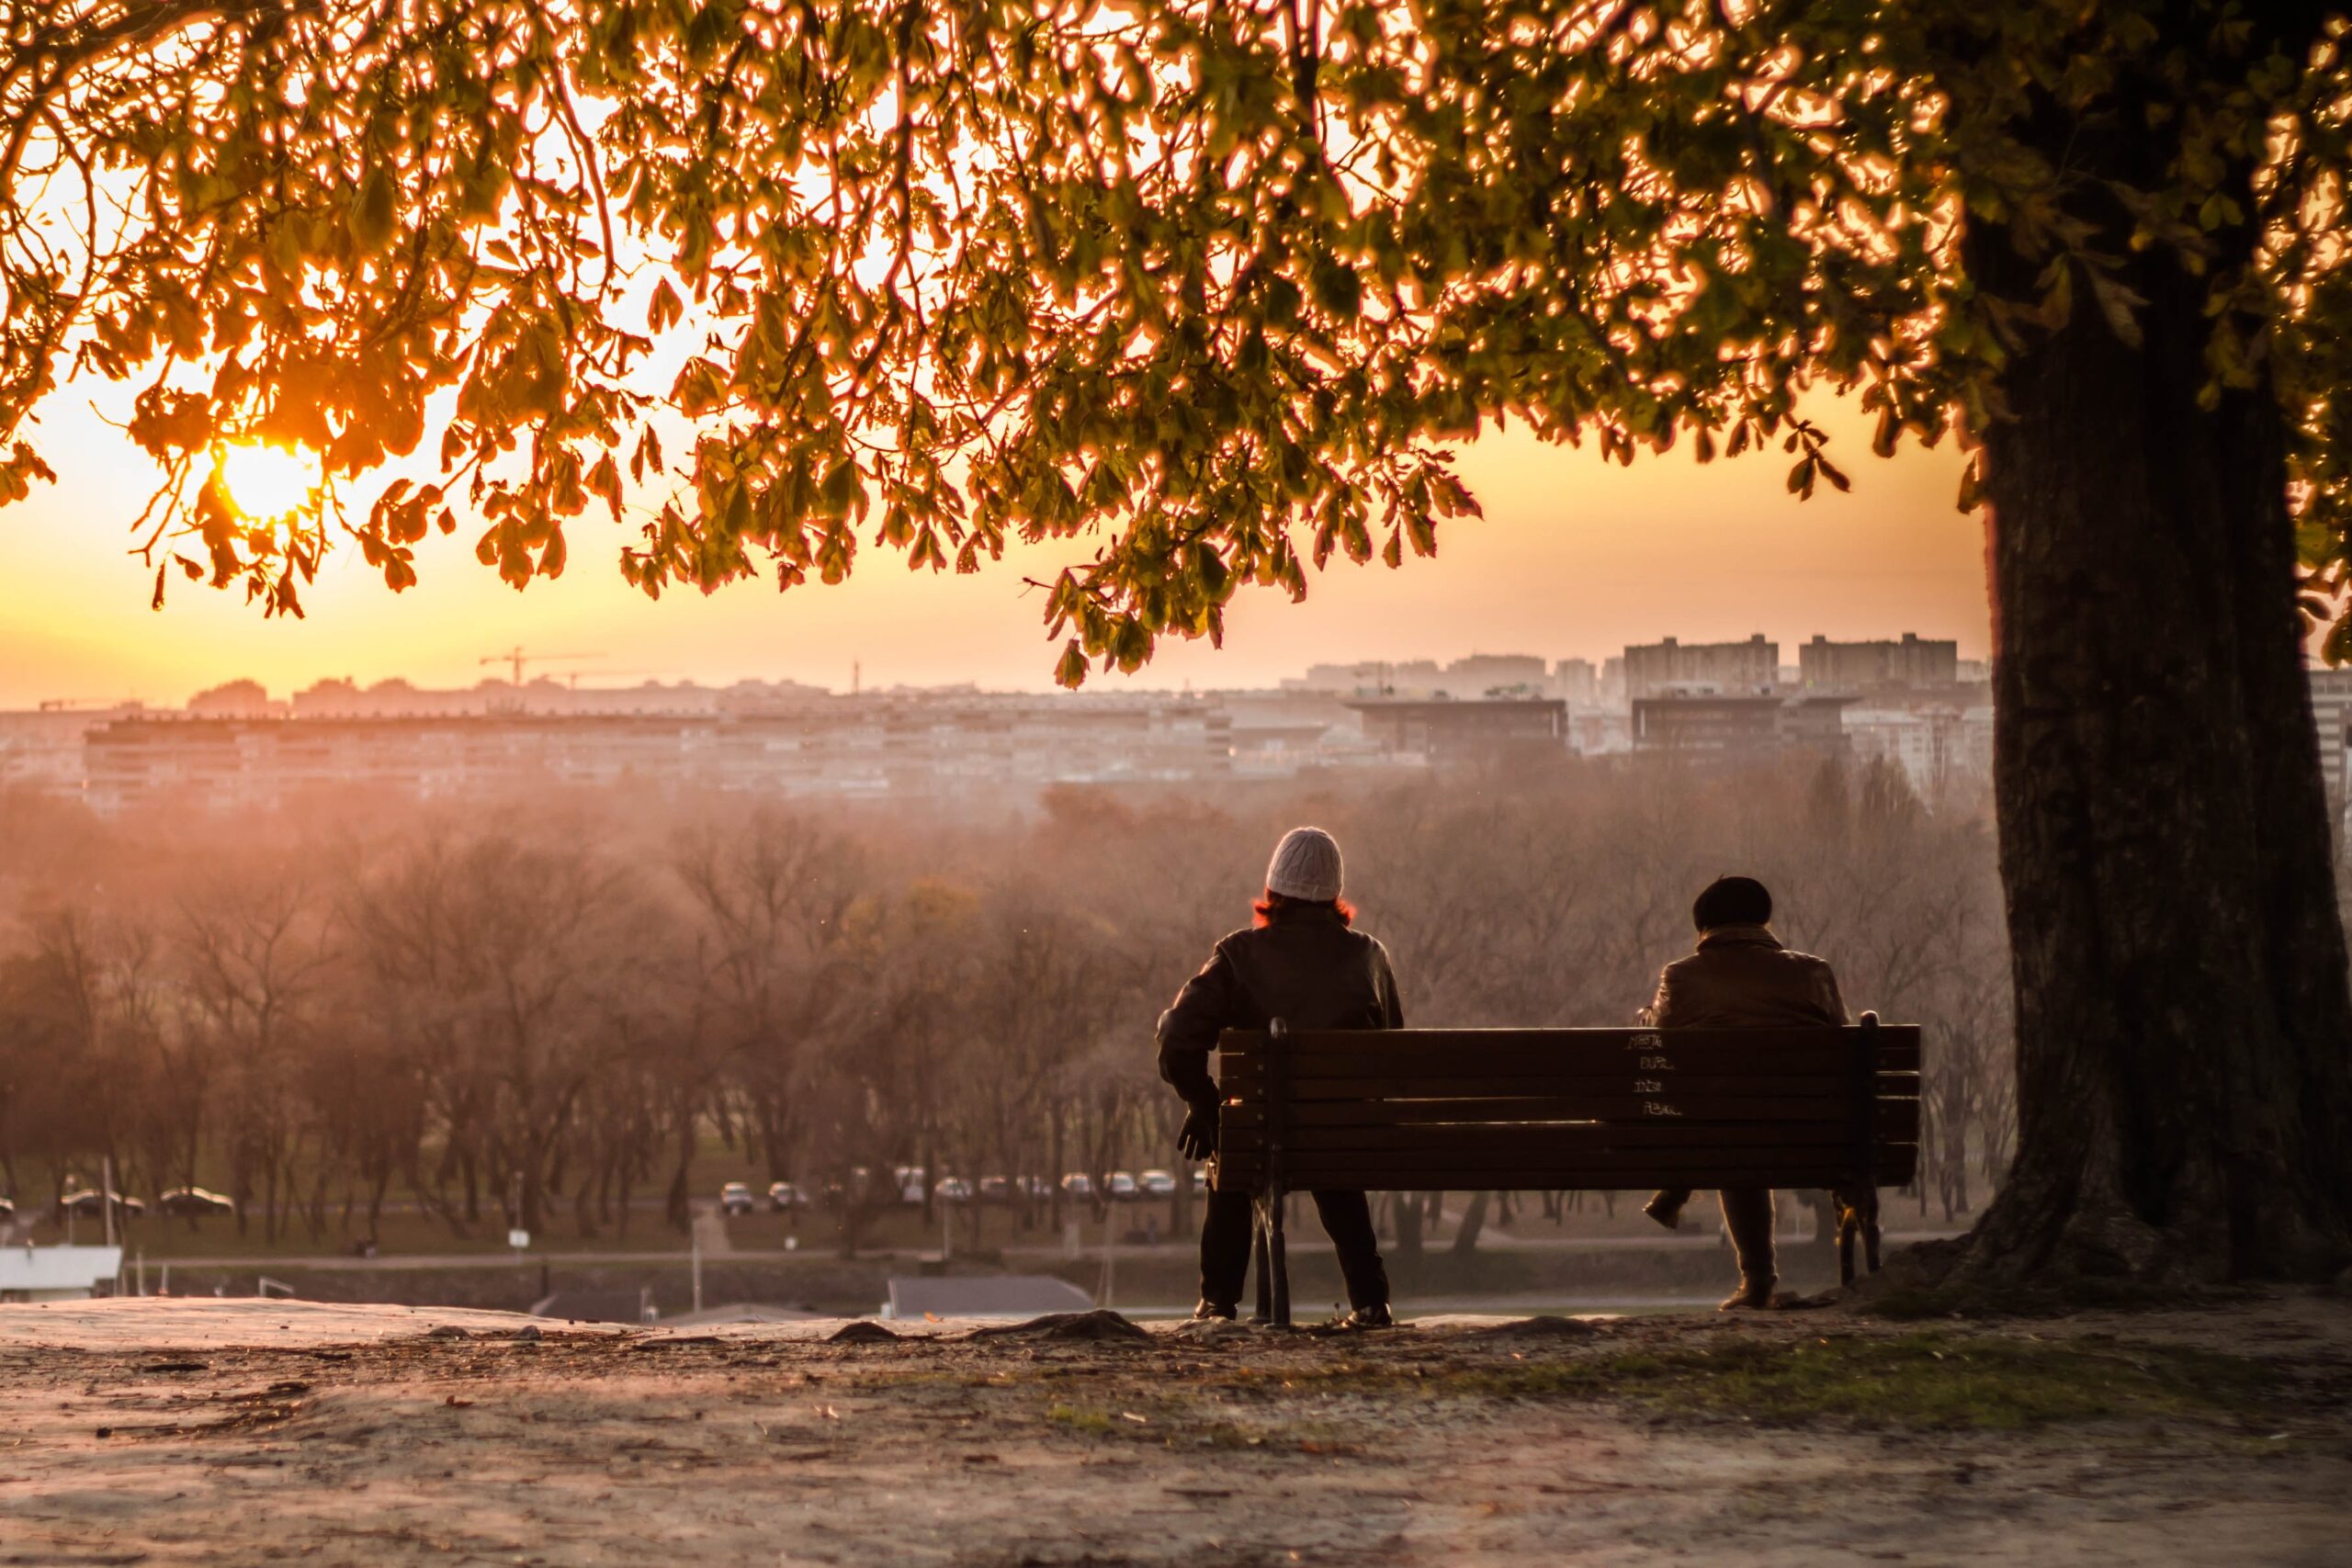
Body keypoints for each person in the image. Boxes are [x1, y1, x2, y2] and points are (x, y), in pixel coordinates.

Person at [1156, 826, 1401, 1326]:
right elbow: (1394, 1048)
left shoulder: (1239, 956)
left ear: (1274, 888)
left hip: (1259, 1136)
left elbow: (1176, 1036)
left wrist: (1204, 1103)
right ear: (1334, 894)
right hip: (1342, 1139)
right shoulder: (1370, 958)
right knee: (1325, 1142)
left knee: (1235, 1136)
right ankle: (1370, 1300)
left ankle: (1218, 1302)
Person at [1640, 874, 1849, 1310]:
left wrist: (1647, 1016)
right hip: (1817, 1135)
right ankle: (1852, 1275)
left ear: (1703, 926)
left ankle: (1755, 1279)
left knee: (1732, 1131)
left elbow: (1657, 1045)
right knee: (1738, 1126)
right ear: (1763, 920)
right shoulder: (1814, 972)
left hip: (1726, 1132)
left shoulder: (1682, 977)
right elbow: (1844, 1044)